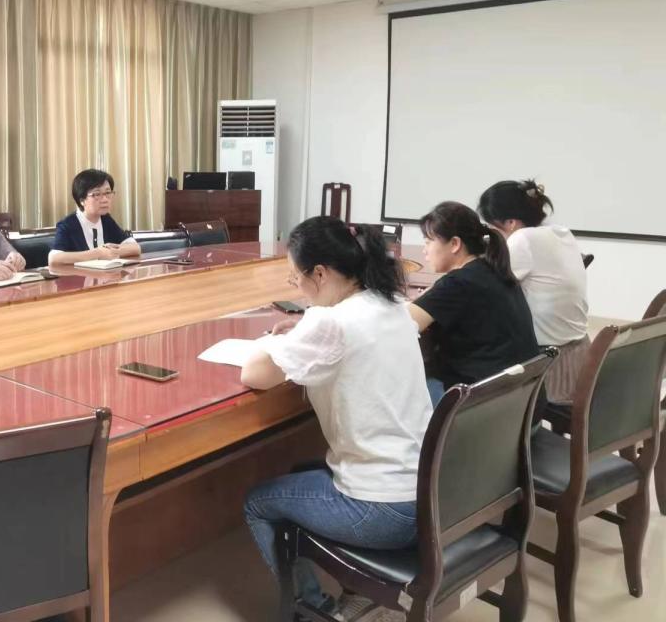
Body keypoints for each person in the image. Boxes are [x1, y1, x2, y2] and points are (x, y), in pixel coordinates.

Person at [241, 218, 432, 620]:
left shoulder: (329, 322)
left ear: (320, 274)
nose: (296, 287)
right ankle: (358, 591)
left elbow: (254, 373)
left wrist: (274, 340)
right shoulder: (392, 305)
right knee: (302, 472)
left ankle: (311, 608)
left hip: (383, 512)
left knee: (258, 502)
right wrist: (302, 331)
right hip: (428, 497)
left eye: (295, 278)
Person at [408, 201, 539, 406]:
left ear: (455, 244)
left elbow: (403, 325)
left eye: (428, 242)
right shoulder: (492, 270)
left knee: (409, 383)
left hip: (482, 407)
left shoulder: (459, 283)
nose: (425, 251)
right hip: (522, 404)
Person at [478, 179, 589, 404]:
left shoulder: (522, 239)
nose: (489, 232)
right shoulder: (561, 232)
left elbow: (484, 286)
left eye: (491, 226)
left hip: (549, 365)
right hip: (580, 355)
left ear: (510, 222)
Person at [48, 169, 140, 266]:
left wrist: (112, 251)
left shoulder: (106, 219)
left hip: (104, 274)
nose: (105, 199)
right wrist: (98, 253)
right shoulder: (68, 224)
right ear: (82, 200)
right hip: (77, 275)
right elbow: (54, 258)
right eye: (97, 194)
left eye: (108, 193)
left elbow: (135, 248)